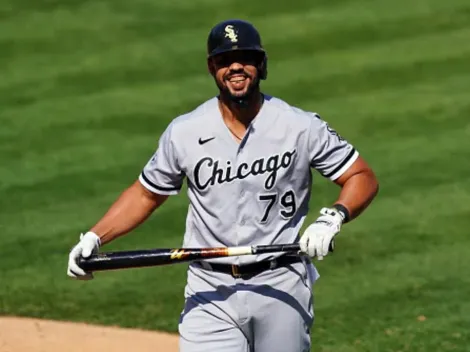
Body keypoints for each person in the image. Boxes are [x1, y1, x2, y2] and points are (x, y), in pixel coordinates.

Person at [67, 19, 379, 352]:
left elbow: (361, 176)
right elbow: (147, 193)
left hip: (282, 284)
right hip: (209, 290)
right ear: (211, 67)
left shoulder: (300, 127)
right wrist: (96, 236)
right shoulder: (185, 131)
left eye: (245, 58)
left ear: (261, 64)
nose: (235, 67)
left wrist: (333, 217)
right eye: (224, 61)